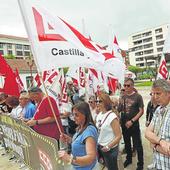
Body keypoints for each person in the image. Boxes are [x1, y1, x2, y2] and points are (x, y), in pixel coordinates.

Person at [58, 101, 98, 170]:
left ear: (85, 115)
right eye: (73, 115)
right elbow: (81, 143)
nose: (74, 117)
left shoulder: (89, 131)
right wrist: (69, 139)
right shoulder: (81, 127)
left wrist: (69, 158)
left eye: (76, 115)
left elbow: (91, 157)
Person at [118, 78, 144, 170]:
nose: (126, 87)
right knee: (127, 143)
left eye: (128, 85)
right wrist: (119, 101)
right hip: (124, 124)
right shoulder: (123, 97)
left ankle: (140, 164)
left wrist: (132, 121)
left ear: (132, 86)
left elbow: (141, 111)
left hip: (134, 125)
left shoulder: (138, 96)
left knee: (138, 145)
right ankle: (129, 159)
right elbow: (119, 110)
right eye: (124, 85)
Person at [145, 79, 170, 170]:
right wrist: (161, 142)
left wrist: (155, 145)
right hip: (158, 164)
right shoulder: (158, 109)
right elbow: (147, 132)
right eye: (153, 94)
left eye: (158, 93)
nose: (155, 97)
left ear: (168, 93)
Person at [96, 92, 122, 170]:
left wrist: (108, 146)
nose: (97, 103)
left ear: (106, 102)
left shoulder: (112, 116)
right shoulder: (99, 114)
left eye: (100, 101)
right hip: (100, 146)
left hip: (110, 149)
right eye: (97, 101)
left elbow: (118, 136)